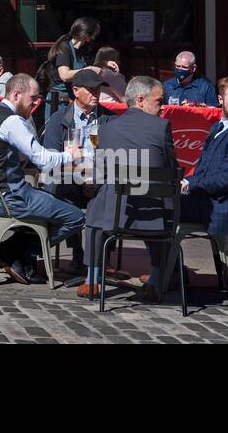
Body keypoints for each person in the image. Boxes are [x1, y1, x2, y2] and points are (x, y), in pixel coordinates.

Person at [0, 73, 85, 286]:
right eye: (33, 98)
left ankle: (19, 257)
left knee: (51, 202)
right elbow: (42, 159)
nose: (36, 103)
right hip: (10, 197)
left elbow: (6, 155)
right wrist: (71, 155)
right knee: (75, 216)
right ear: (16, 94)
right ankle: (14, 252)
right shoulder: (12, 121)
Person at [84, 76, 176, 303]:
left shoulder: (104, 129)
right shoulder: (161, 126)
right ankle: (156, 280)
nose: (162, 106)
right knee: (162, 198)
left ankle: (92, 280)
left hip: (115, 215)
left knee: (94, 211)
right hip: (155, 217)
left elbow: (100, 171)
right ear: (141, 100)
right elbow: (171, 169)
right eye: (159, 101)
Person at [177, 77, 228, 264]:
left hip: (217, 206)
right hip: (204, 199)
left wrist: (189, 184)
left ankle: (167, 275)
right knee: (157, 204)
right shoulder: (219, 126)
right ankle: (170, 272)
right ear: (220, 100)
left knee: (161, 208)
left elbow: (224, 180)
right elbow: (203, 169)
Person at [42, 67, 112, 280]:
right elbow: (51, 159)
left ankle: (101, 259)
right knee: (61, 189)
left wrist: (94, 177)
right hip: (70, 179)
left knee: (110, 193)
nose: (96, 94)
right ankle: (77, 253)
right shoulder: (58, 119)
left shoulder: (109, 119)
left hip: (100, 179)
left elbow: (114, 157)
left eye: (98, 89)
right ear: (75, 91)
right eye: (90, 90)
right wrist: (80, 175)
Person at [44, 17, 100, 128]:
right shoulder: (64, 47)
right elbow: (64, 75)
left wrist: (103, 65)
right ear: (87, 34)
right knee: (57, 134)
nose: (94, 38)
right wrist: (87, 70)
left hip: (71, 100)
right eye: (94, 34)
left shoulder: (79, 51)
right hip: (59, 102)